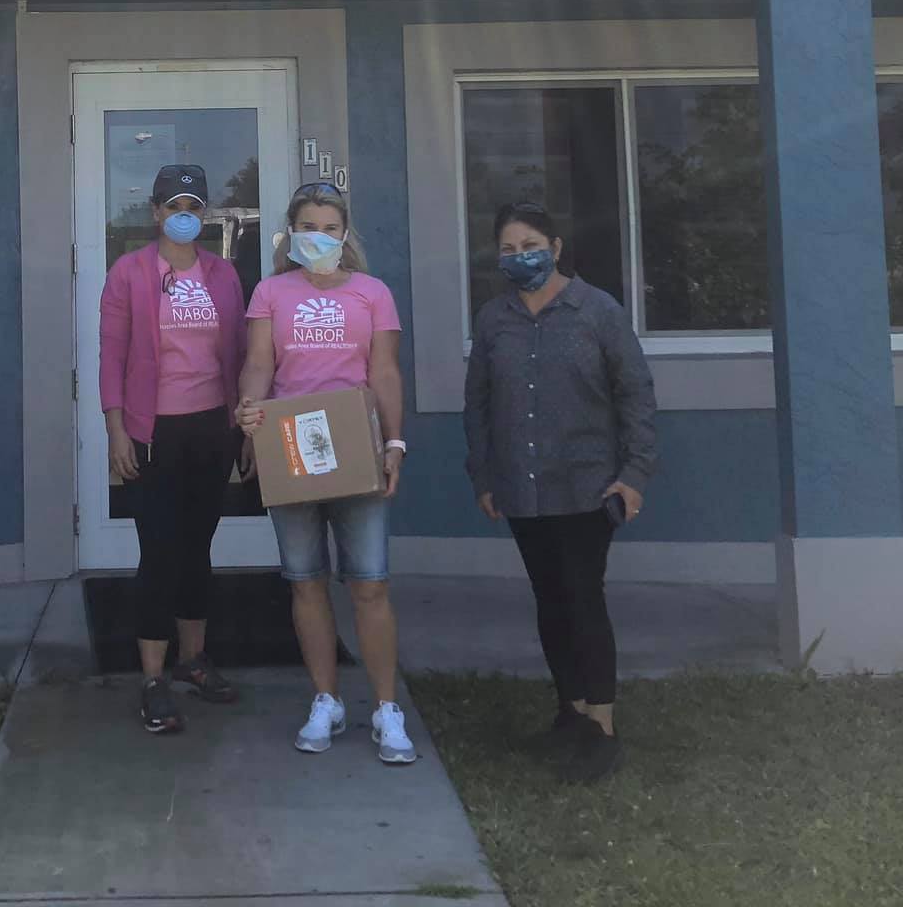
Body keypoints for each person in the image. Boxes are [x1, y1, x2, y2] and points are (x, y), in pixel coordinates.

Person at [464, 201, 656, 785]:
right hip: (522, 489)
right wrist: (484, 475)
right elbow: (478, 403)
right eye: (506, 248)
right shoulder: (495, 319)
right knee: (549, 598)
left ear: (555, 247)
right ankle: (569, 710)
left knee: (582, 595)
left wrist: (635, 473)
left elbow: (635, 396)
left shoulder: (597, 312)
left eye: (529, 244)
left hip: (588, 484)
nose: (519, 256)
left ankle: (602, 723)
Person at [236, 181, 417, 765]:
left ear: (345, 235)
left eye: (330, 228)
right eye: (308, 226)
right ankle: (326, 699)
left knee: (369, 582)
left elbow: (384, 371)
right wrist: (248, 409)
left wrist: (394, 441)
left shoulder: (372, 293)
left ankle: (387, 709)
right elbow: (260, 361)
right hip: (291, 448)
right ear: (291, 232)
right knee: (305, 580)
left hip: (356, 446)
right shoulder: (269, 291)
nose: (319, 237)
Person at [99, 163, 250, 735]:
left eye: (194, 207)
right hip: (152, 430)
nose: (184, 217)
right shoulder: (130, 273)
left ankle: (193, 661)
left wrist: (244, 429)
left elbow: (238, 352)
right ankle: (153, 678)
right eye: (174, 207)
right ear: (156, 212)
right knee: (158, 552)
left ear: (203, 214)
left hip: (212, 428)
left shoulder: (224, 275)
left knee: (197, 547)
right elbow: (111, 355)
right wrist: (117, 429)